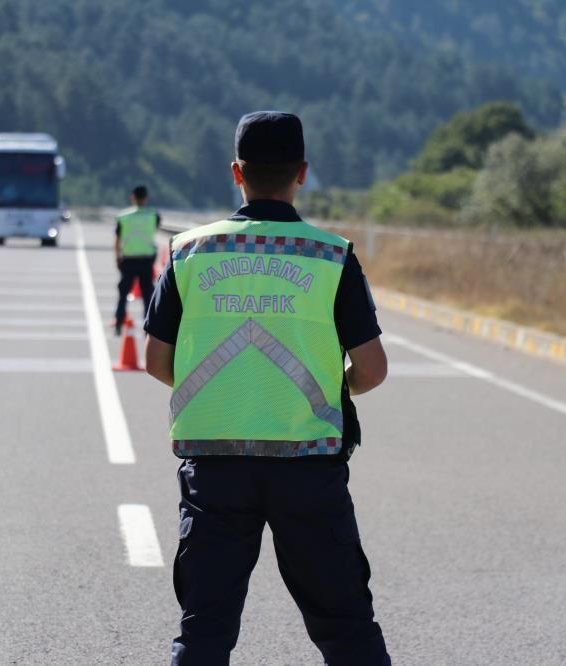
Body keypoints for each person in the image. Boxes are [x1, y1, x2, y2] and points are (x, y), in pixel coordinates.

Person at [143, 111, 391, 666]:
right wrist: (328, 393)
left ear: (237, 172)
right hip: (309, 466)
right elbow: (371, 369)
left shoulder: (188, 253)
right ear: (302, 172)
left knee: (204, 627)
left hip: (214, 463)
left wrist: (221, 389)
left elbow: (157, 360)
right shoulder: (331, 256)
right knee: (347, 626)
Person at [114, 185, 161, 335]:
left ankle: (118, 325)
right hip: (146, 261)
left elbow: (117, 240)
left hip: (128, 260)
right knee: (148, 297)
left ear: (132, 197)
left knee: (123, 295)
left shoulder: (123, 217)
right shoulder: (154, 215)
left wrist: (117, 257)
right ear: (146, 198)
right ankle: (148, 330)